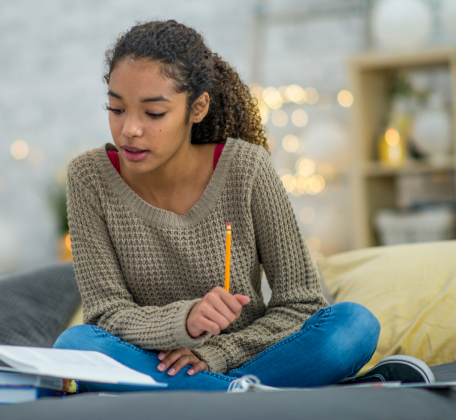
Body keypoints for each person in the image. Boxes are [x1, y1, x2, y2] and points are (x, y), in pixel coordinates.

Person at [53, 20, 429, 392]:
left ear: (197, 108)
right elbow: (106, 315)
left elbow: (299, 304)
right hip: (150, 360)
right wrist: (185, 319)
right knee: (75, 345)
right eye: (116, 109)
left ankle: (215, 392)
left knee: (355, 326)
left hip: (244, 358)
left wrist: (215, 354)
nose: (129, 129)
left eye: (153, 113)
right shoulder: (90, 178)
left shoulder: (246, 168)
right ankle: (240, 396)